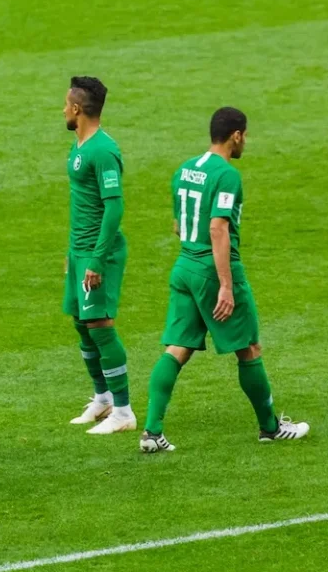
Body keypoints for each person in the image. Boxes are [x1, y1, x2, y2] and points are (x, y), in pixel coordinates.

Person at [140, 107, 309, 452]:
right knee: (248, 348)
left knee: (177, 348)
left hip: (184, 266)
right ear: (236, 135)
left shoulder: (185, 169)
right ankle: (270, 428)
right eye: (245, 135)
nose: (246, 141)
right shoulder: (227, 175)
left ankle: (152, 433)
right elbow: (218, 228)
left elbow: (178, 225)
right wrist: (226, 286)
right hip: (211, 270)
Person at [62, 76, 135, 434]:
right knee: (81, 322)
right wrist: (73, 254)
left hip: (97, 252)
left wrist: (95, 259)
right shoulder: (79, 147)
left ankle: (123, 411)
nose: (62, 109)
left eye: (66, 104)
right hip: (79, 251)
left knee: (100, 326)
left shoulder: (102, 151)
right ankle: (103, 398)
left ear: (77, 109)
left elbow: (114, 207)